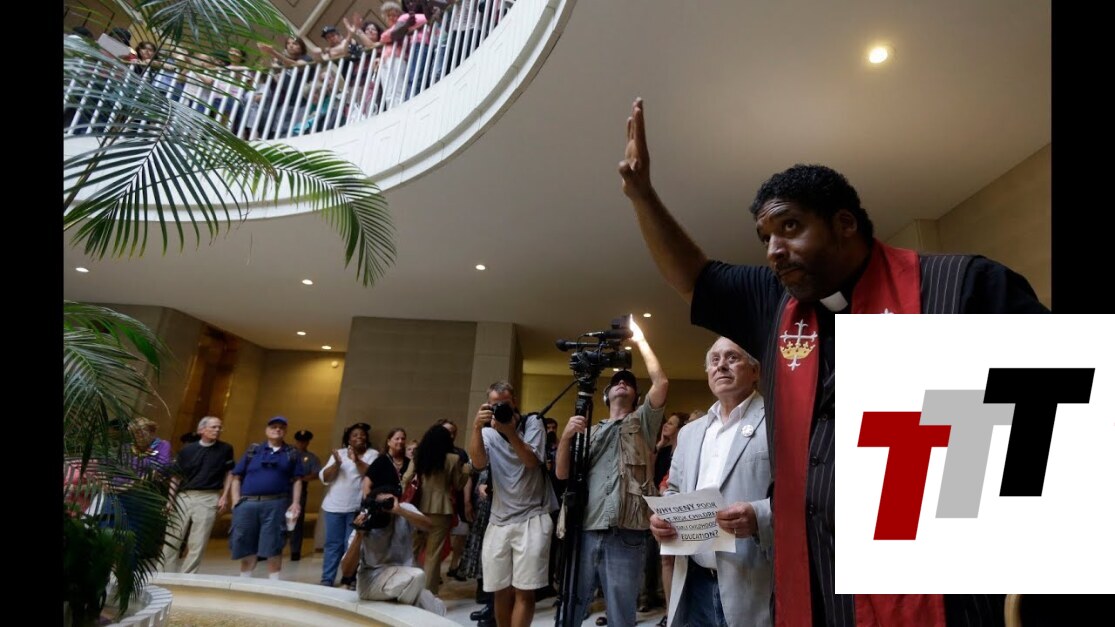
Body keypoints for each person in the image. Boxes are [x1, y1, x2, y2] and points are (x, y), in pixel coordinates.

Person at [617, 97, 1048, 626]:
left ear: (845, 224)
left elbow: (1058, 430)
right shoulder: (775, 304)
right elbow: (695, 277)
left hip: (939, 592)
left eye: (790, 227)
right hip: (816, 585)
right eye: (766, 237)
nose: (773, 249)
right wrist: (643, 196)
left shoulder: (962, 286)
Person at [650, 338, 772, 627]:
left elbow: (803, 495)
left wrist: (760, 516)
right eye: (714, 360)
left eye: (732, 357)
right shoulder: (690, 432)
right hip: (693, 581)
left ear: (755, 371)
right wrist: (663, 517)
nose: (721, 365)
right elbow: (674, 490)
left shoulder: (776, 421)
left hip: (752, 581)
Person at [555, 325, 669, 627]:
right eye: (616, 382)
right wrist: (566, 438)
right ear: (606, 395)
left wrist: (641, 340)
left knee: (620, 613)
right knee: (571, 606)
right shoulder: (589, 430)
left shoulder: (642, 423)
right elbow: (563, 473)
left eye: (628, 383)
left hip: (626, 532)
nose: (622, 383)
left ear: (636, 396)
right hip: (585, 528)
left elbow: (661, 382)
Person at [469, 381, 559, 627]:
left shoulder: (533, 423)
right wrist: (476, 427)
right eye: (495, 405)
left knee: (524, 590)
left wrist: (510, 432)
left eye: (505, 404)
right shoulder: (487, 431)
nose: (500, 409)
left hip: (533, 517)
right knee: (499, 589)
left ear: (514, 402)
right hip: (499, 519)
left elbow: (531, 461)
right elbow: (478, 464)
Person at [340, 455, 447, 615]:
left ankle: (406, 613)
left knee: (438, 608)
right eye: (380, 503)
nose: (385, 508)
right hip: (373, 581)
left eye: (388, 502)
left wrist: (400, 511)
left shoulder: (403, 510)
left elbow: (429, 526)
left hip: (403, 577)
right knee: (417, 577)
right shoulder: (365, 520)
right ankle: (405, 616)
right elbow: (346, 571)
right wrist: (359, 535)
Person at [228, 416, 305, 579]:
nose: (277, 429)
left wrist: (296, 503)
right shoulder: (254, 450)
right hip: (248, 503)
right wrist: (235, 500)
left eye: (281, 427)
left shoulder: (291, 453)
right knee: (246, 545)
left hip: (276, 503)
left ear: (285, 432)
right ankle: (244, 581)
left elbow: (297, 479)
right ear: (266, 430)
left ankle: (273, 584)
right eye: (273, 426)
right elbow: (236, 476)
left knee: (274, 545)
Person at [402, 423, 470, 594]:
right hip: (442, 509)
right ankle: (428, 594)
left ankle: (406, 587)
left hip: (417, 508)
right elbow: (458, 484)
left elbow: (407, 478)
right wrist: (466, 470)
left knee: (412, 549)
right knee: (433, 554)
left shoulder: (419, 456)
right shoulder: (453, 459)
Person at [161, 416, 235, 574]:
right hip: (184, 496)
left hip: (208, 496)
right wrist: (170, 500)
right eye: (213, 427)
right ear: (201, 430)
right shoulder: (187, 450)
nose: (217, 430)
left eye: (219, 427)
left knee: (198, 540)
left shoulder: (226, 449)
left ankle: (188, 576)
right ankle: (165, 574)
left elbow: (230, 473)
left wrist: (224, 496)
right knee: (172, 537)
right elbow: (175, 476)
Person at [319, 422, 378, 589]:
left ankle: (349, 579)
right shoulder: (339, 453)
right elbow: (325, 477)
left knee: (352, 545)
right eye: (355, 435)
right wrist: (337, 464)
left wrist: (357, 460)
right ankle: (327, 578)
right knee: (333, 544)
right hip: (334, 506)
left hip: (356, 508)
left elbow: (372, 474)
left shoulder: (372, 454)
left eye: (362, 435)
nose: (359, 437)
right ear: (348, 439)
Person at [288, 429, 322, 561]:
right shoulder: (287, 453)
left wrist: (301, 478)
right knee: (276, 519)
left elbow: (316, 473)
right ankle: (269, 550)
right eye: (299, 441)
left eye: (304, 441)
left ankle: (295, 550)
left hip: (300, 489)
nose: (301, 443)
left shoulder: (311, 458)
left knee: (297, 520)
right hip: (283, 489)